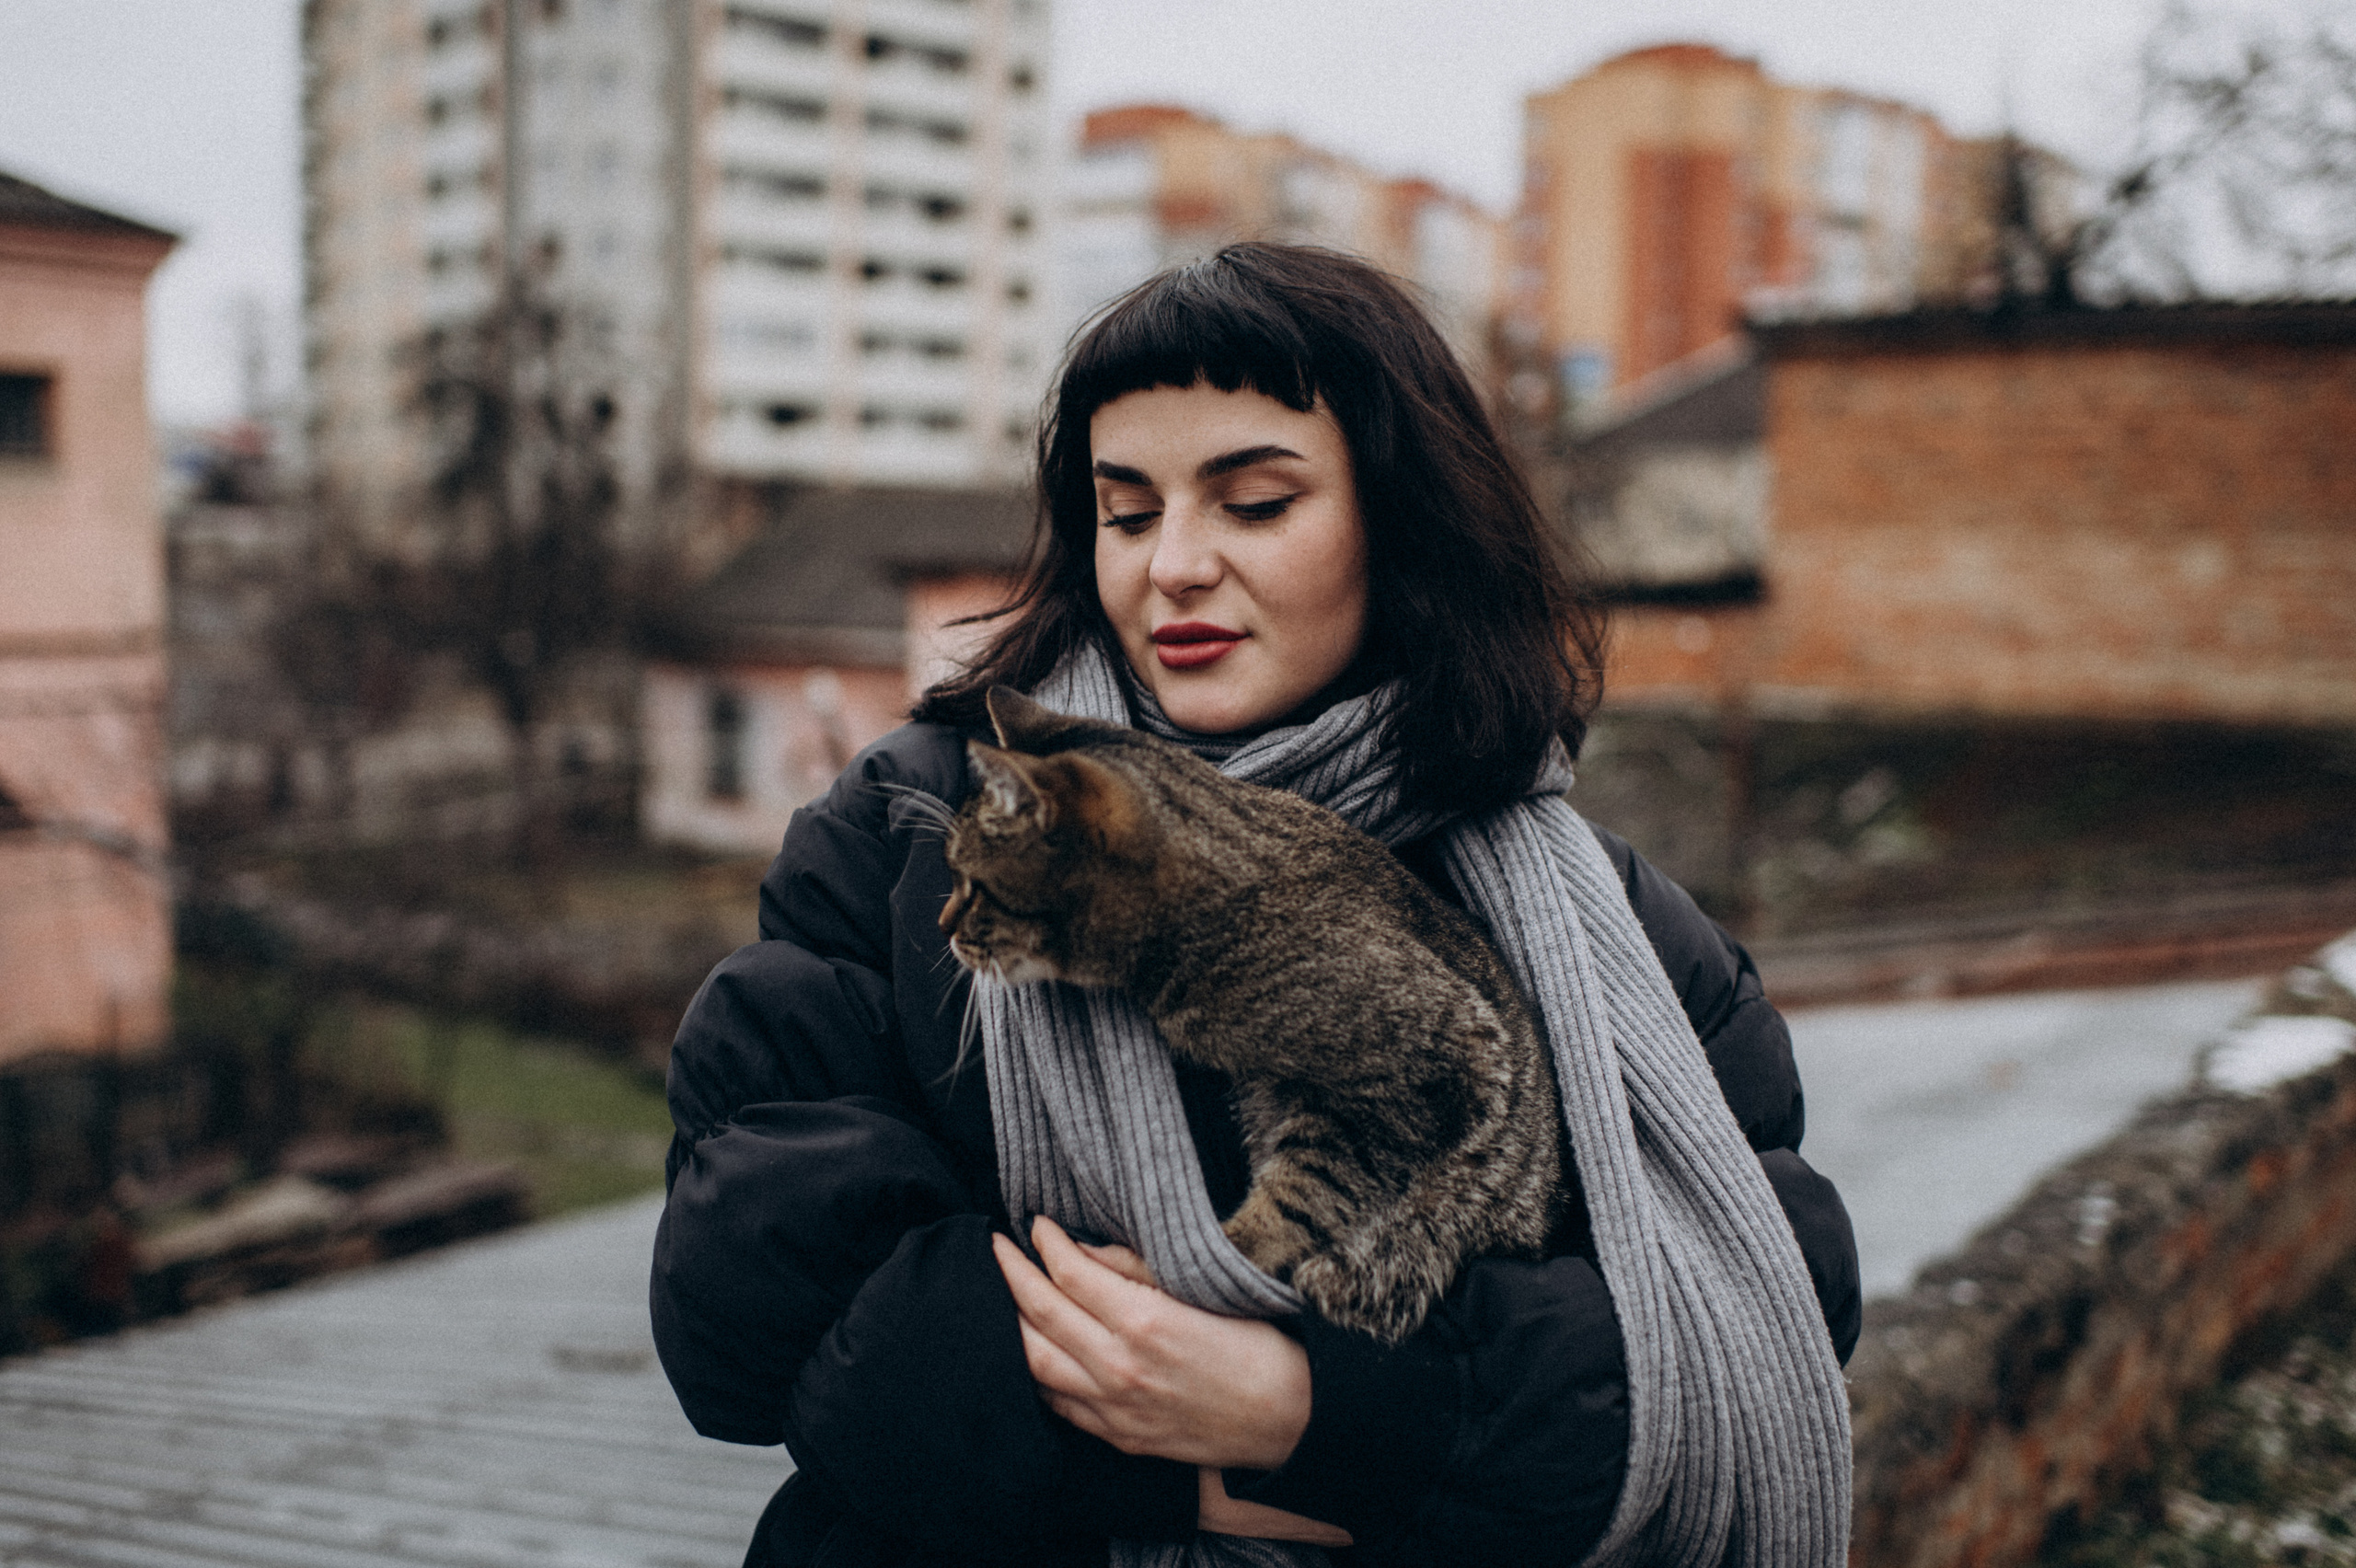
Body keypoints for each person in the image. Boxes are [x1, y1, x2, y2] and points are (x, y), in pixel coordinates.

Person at [651, 243, 1862, 1568]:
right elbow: (750, 1294)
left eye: (1254, 504)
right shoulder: (917, 831)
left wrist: (1317, 1410)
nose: (1173, 565)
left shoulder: (1604, 926)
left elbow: (1763, 1301)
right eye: (1126, 511)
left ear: (1397, 524)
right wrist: (1154, 1464)